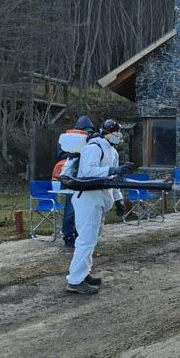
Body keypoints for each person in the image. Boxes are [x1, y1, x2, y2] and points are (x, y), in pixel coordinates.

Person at [65, 119, 132, 294]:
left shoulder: (112, 151)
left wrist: (118, 200)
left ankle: (83, 273)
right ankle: (75, 280)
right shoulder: (94, 147)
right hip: (87, 198)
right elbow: (87, 171)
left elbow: (114, 181)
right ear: (107, 132)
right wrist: (111, 171)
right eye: (116, 133)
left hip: (100, 199)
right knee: (85, 241)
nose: (118, 136)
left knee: (91, 240)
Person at [55, 117, 96, 248]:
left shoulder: (92, 142)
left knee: (84, 211)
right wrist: (72, 154)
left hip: (85, 179)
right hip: (70, 179)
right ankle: (68, 235)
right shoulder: (68, 140)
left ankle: (80, 235)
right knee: (70, 210)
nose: (87, 134)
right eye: (86, 131)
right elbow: (60, 155)